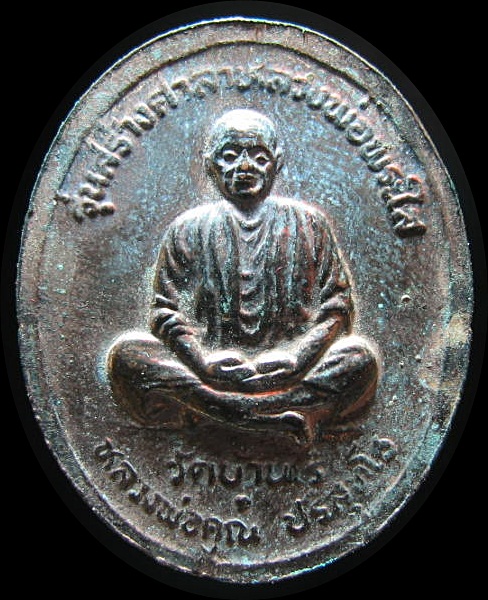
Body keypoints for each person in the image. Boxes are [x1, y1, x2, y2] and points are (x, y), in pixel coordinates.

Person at [107, 109, 378, 444]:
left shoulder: (310, 224)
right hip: (210, 374)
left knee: (359, 358)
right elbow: (165, 312)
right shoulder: (187, 229)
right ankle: (271, 416)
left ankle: (222, 413)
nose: (245, 167)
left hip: (290, 374)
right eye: (230, 156)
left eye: (259, 157)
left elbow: (337, 306)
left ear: (277, 163)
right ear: (210, 165)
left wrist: (300, 358)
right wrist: (202, 362)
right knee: (128, 356)